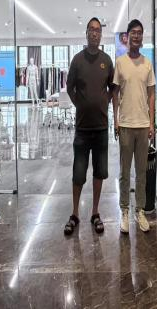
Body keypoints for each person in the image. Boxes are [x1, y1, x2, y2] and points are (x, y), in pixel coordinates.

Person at [64, 17, 114, 235]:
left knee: (99, 172)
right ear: (86, 33)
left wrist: (104, 102)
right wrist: (80, 104)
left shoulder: (107, 60)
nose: (95, 33)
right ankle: (74, 213)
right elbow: (70, 87)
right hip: (82, 129)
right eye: (91, 29)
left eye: (98, 30)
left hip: (101, 128)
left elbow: (112, 87)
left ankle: (95, 212)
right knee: (78, 173)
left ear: (101, 34)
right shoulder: (77, 60)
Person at [113, 19, 156, 233]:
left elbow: (151, 94)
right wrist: (115, 120)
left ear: (142, 36)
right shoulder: (120, 63)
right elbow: (114, 93)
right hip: (126, 125)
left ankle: (139, 211)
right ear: (127, 37)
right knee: (124, 172)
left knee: (141, 173)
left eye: (140, 32)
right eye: (133, 33)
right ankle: (124, 211)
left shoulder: (147, 63)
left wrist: (151, 122)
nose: (136, 36)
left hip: (143, 125)